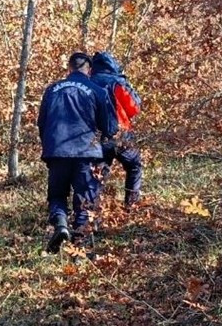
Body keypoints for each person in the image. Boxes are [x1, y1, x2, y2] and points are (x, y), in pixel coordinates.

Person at [37, 51, 118, 252]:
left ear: (69, 68)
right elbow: (110, 127)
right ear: (89, 69)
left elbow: (42, 122)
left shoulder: (52, 90)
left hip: (56, 152)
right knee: (85, 200)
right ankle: (79, 246)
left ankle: (61, 225)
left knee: (57, 196)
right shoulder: (98, 91)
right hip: (86, 152)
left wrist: (49, 146)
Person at [89, 50, 143, 209]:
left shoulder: (87, 82)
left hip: (94, 136)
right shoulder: (117, 83)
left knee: (98, 174)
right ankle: (130, 206)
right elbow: (134, 109)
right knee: (134, 165)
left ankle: (93, 215)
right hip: (120, 134)